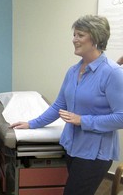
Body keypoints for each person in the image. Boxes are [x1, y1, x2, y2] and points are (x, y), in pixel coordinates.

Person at [10, 15, 123, 195]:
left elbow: (121, 117)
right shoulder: (73, 71)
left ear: (95, 38)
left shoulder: (112, 73)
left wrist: (83, 120)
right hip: (72, 146)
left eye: (80, 35)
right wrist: (32, 123)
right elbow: (59, 106)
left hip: (94, 153)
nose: (74, 39)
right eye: (74, 35)